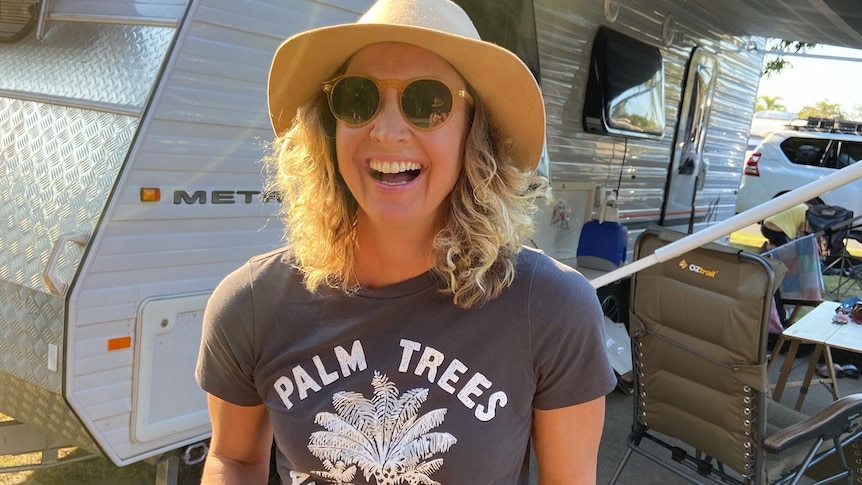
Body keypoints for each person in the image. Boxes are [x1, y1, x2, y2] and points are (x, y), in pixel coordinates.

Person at [195, 0, 616, 483]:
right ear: (331, 128)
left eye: (427, 103)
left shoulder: (550, 309)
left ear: (474, 133)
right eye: (358, 99)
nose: (387, 130)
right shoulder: (251, 303)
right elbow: (235, 458)